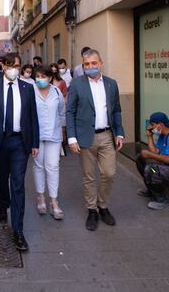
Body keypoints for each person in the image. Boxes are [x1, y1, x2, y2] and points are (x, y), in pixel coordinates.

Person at [0, 52, 39, 251]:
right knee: (1, 178)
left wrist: (35, 143)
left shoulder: (27, 88)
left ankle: (18, 231)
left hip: (19, 143)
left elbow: (33, 117)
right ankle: (3, 203)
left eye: (18, 65)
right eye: (12, 65)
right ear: (4, 66)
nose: (16, 69)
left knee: (18, 184)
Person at [66, 49, 124, 231]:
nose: (90, 67)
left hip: (107, 135)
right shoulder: (76, 84)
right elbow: (70, 111)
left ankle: (103, 205)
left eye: (93, 63)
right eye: (86, 64)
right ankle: (92, 210)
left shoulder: (111, 84)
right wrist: (72, 137)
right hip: (85, 137)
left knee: (109, 173)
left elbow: (116, 110)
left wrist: (120, 133)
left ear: (100, 64)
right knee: (88, 176)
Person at [32, 65, 65, 219]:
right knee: (39, 166)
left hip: (53, 135)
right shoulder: (30, 91)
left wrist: (63, 132)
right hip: (36, 137)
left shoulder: (57, 91)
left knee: (53, 166)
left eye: (43, 76)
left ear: (50, 78)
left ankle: (54, 201)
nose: (40, 80)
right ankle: (41, 197)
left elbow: (61, 113)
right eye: (37, 76)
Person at [136, 112, 169, 210]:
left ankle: (161, 199)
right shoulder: (163, 135)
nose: (152, 128)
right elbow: (155, 152)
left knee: (151, 169)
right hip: (166, 168)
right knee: (140, 159)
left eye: (152, 125)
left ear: (160, 124)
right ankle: (151, 189)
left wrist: (149, 155)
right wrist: (149, 136)